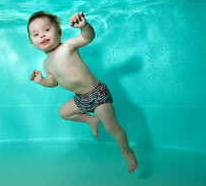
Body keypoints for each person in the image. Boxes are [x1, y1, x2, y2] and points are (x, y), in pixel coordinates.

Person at [28, 11, 138, 173]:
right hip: (81, 98)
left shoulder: (68, 46)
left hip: (97, 94)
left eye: (46, 30)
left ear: (59, 32)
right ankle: (91, 121)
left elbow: (87, 37)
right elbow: (54, 82)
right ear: (32, 42)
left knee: (111, 127)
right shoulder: (46, 64)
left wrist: (84, 26)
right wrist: (42, 81)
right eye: (36, 34)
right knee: (63, 112)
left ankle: (126, 151)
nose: (42, 35)